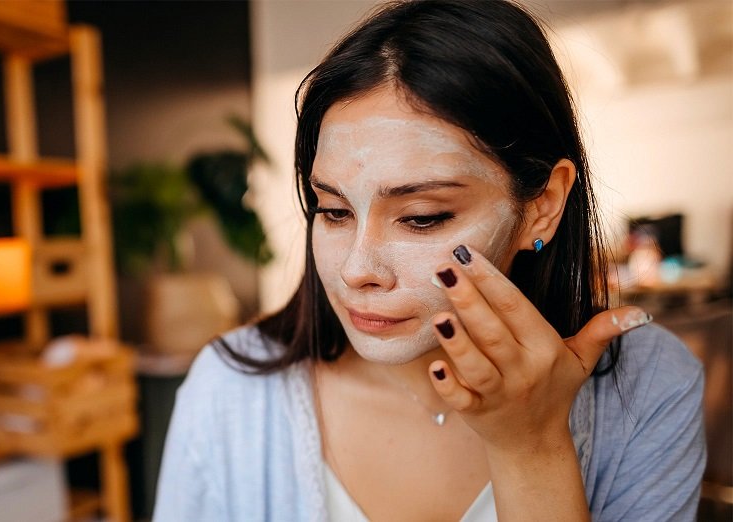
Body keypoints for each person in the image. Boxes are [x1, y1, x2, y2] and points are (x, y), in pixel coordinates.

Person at [153, 1, 706, 520]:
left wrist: (532, 447)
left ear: (542, 206)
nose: (355, 269)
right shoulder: (229, 390)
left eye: (421, 217)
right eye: (333, 211)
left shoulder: (648, 387)